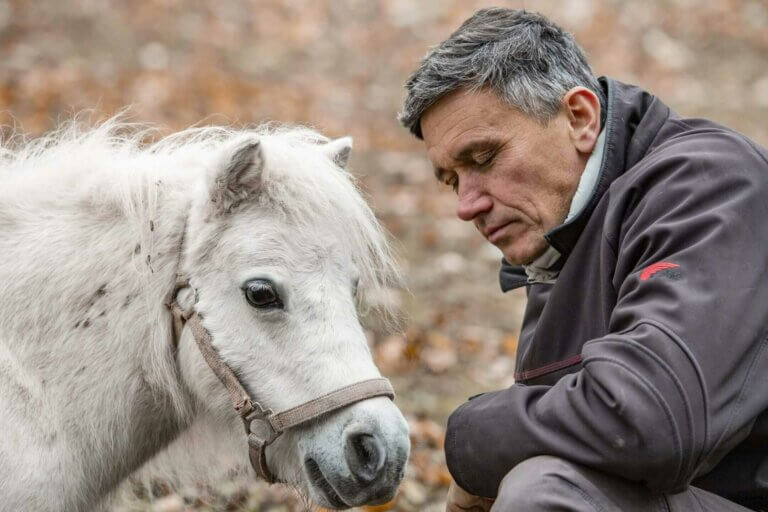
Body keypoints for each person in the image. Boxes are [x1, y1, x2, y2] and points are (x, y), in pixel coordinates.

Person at [398, 7, 768, 512]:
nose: (467, 205)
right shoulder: (560, 239)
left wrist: (470, 444)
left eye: (482, 159)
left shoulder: (709, 185)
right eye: (452, 180)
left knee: (544, 490)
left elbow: (647, 419)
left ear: (580, 118)